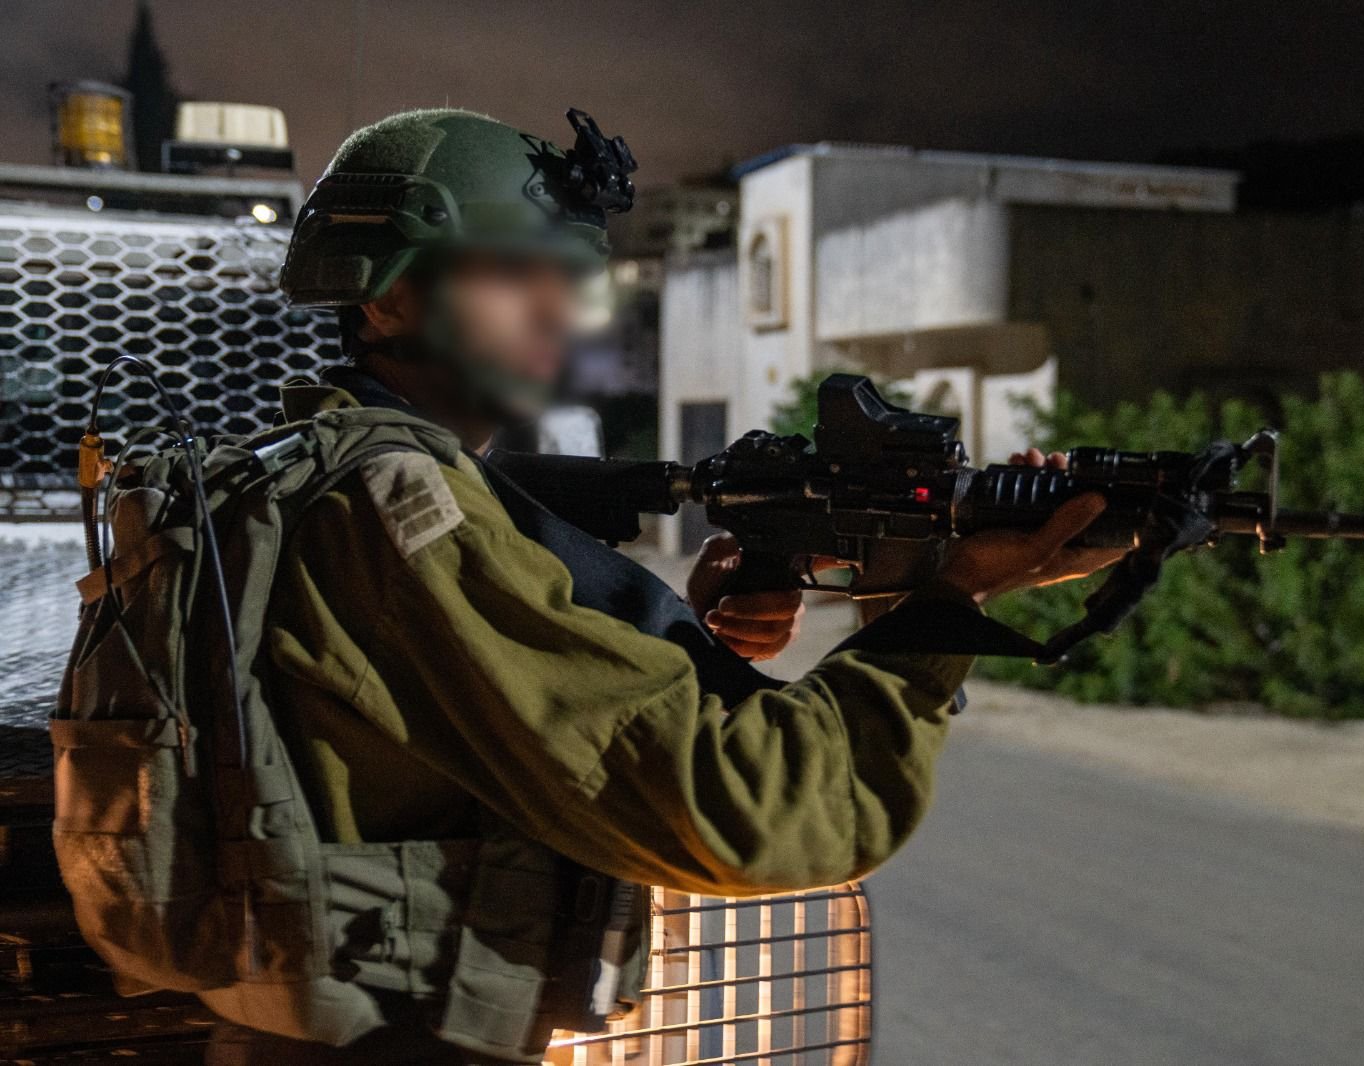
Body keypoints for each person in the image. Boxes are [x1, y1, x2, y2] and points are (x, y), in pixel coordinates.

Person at [204, 107, 1119, 1063]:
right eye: (515, 274)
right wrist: (950, 604)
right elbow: (753, 808)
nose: (560, 311)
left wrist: (685, 636)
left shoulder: (317, 473)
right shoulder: (403, 511)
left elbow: (478, 722)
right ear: (387, 299)